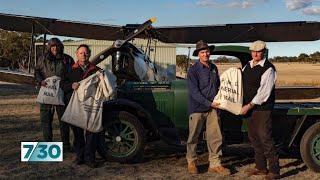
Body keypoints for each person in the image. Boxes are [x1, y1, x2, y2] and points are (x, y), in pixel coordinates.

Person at [186, 40, 230, 175]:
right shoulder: (193, 71)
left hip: (213, 108)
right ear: (198, 54)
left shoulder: (214, 68)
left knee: (215, 136)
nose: (205, 54)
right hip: (198, 107)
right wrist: (209, 103)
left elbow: (218, 87)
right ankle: (192, 162)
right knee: (193, 137)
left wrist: (220, 100)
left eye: (207, 51)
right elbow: (194, 92)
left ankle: (215, 164)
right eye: (202, 52)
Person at [240, 40, 280, 180]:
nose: (256, 53)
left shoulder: (269, 68)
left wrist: (248, 105)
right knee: (254, 137)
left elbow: (264, 93)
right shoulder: (247, 66)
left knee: (264, 137)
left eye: (259, 51)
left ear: (264, 52)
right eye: (253, 51)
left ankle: (274, 170)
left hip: (262, 108)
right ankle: (261, 167)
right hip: (249, 108)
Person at [62, 44, 106, 168]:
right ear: (77, 54)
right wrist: (71, 85)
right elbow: (62, 84)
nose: (84, 55)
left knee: (91, 133)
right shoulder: (69, 69)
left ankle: (90, 158)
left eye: (86, 53)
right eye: (81, 53)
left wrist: (102, 78)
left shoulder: (96, 70)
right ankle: (80, 156)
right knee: (77, 133)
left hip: (90, 107)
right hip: (75, 106)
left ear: (90, 54)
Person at [34, 37, 74, 151]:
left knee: (64, 120)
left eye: (57, 46)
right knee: (45, 120)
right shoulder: (42, 59)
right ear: (49, 47)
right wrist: (40, 80)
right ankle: (48, 145)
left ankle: (66, 145)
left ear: (60, 47)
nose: (55, 48)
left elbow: (73, 73)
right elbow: (37, 71)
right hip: (47, 93)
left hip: (62, 93)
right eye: (52, 46)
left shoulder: (67, 59)